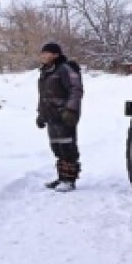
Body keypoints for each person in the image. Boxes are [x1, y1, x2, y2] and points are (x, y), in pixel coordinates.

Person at [35, 42, 83, 191]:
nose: (43, 55)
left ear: (55, 55)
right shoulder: (46, 71)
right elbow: (44, 96)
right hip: (51, 116)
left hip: (64, 115)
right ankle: (62, 177)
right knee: (57, 148)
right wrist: (41, 115)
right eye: (42, 53)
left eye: (46, 53)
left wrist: (70, 110)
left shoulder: (65, 69)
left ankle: (69, 180)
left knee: (67, 147)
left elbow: (76, 90)